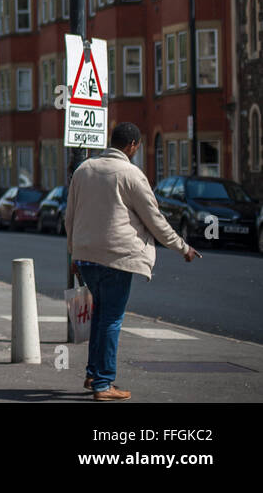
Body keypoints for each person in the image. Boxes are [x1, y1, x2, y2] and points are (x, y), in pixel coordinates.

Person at [65, 122, 201, 401]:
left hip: (86, 256)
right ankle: (104, 384)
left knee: (100, 316)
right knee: (111, 319)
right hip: (117, 257)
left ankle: (93, 374)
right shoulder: (131, 174)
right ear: (132, 145)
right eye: (137, 146)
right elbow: (155, 220)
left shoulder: (84, 170)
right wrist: (182, 247)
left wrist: (73, 254)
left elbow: (70, 217)